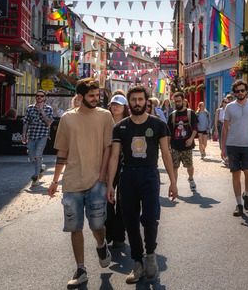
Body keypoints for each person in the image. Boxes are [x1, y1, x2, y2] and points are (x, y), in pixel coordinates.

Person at [47, 78, 115, 289]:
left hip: (97, 181)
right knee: (74, 227)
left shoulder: (105, 116)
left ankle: (101, 244)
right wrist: (55, 180)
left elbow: (108, 148)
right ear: (80, 96)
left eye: (97, 95)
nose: (96, 99)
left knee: (97, 225)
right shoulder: (67, 119)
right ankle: (81, 269)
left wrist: (103, 177)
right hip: (72, 182)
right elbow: (62, 152)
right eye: (92, 96)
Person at [106, 86, 177, 283]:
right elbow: (113, 157)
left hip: (149, 175)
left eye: (140, 99)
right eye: (133, 100)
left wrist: (173, 181)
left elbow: (165, 153)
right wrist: (110, 184)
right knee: (130, 221)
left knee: (150, 218)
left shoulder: (158, 124)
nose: (137, 103)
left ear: (147, 101)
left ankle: (151, 256)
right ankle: (137, 263)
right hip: (127, 175)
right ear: (129, 102)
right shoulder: (120, 127)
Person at [221, 80, 248, 217]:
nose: (240, 93)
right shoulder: (229, 107)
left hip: (247, 144)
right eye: (237, 91)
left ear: (246, 91)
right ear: (234, 93)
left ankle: (247, 194)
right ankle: (239, 204)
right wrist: (223, 148)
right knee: (235, 174)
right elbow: (225, 128)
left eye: (242, 90)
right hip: (232, 145)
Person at [104, 94, 130, 248]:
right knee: (107, 198)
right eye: (113, 104)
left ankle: (120, 233)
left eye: (119, 105)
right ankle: (109, 232)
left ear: (124, 107)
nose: (115, 107)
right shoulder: (105, 123)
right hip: (107, 164)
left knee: (122, 200)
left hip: (124, 164)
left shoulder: (129, 123)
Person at [168, 92, 199, 192]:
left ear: (183, 101)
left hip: (187, 144)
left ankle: (190, 179)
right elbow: (169, 132)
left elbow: (195, 128)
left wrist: (191, 139)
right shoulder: (172, 115)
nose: (177, 103)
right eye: (175, 102)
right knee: (174, 167)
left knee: (189, 165)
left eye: (178, 101)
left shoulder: (190, 113)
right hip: (174, 145)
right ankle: (174, 186)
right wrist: (167, 146)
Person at [22, 89, 54, 187]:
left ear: (44, 98)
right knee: (32, 157)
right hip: (31, 135)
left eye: (41, 96)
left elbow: (49, 122)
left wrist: (42, 113)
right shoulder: (30, 108)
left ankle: (36, 177)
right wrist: (24, 133)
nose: (39, 97)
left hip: (43, 135)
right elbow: (26, 121)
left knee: (38, 154)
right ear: (35, 97)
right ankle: (40, 167)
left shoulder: (48, 109)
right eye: (37, 95)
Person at [216, 97, 231, 165]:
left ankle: (227, 157)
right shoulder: (219, 110)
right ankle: (224, 156)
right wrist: (216, 129)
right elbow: (216, 121)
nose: (226, 104)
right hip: (221, 126)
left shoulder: (230, 110)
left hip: (229, 126)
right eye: (225, 102)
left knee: (228, 141)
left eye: (228, 102)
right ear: (222, 103)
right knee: (221, 142)